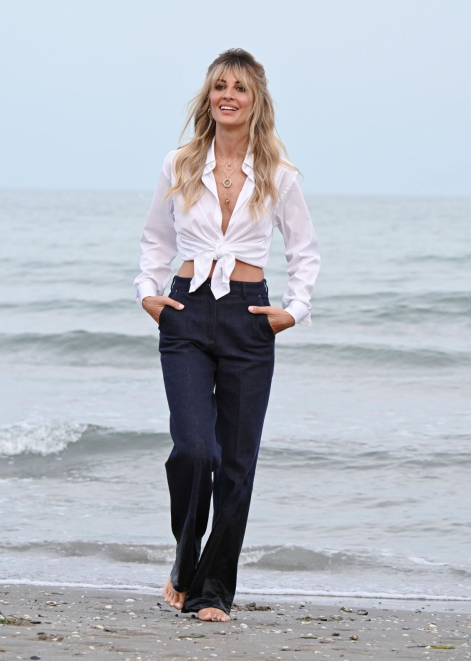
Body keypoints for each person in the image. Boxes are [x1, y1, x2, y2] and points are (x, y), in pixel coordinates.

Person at [133, 48, 321, 622]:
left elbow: (303, 250)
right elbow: (155, 240)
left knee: (237, 461)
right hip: (187, 312)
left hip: (247, 314)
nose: (228, 95)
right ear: (209, 97)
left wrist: (294, 308)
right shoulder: (180, 163)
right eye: (219, 86)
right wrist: (148, 291)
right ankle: (185, 559)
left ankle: (213, 591)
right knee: (195, 450)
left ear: (256, 99)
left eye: (239, 87)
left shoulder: (279, 175)